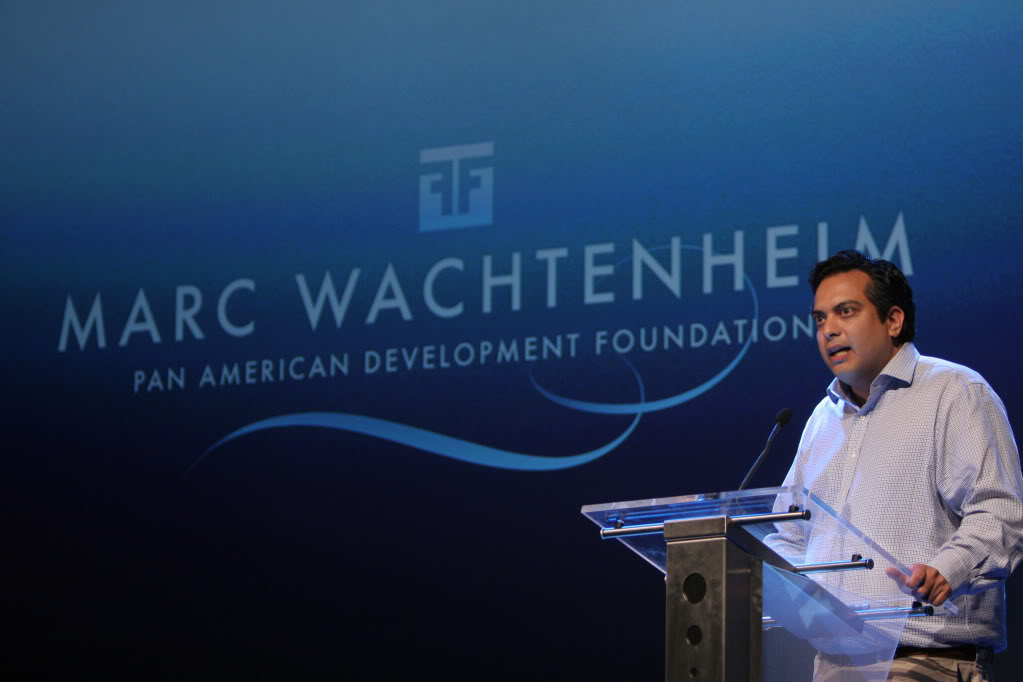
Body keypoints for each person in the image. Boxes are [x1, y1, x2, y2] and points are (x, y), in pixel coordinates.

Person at [775, 250, 1023, 681]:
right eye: (819, 318)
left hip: (925, 662)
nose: (829, 329)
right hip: (831, 666)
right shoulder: (821, 420)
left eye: (846, 311)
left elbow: (1001, 513)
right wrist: (737, 574)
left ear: (893, 320)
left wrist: (947, 571)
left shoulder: (955, 392)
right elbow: (789, 534)